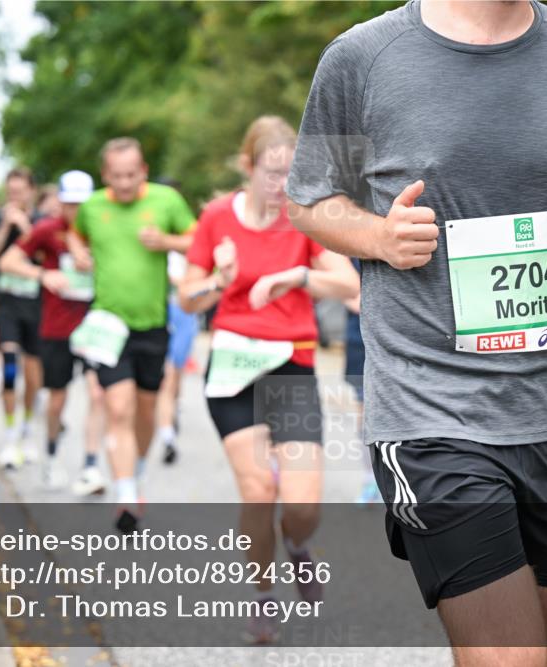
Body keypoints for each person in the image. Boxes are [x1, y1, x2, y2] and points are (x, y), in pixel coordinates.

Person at [285, 1, 547, 664]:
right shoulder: (363, 57)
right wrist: (378, 236)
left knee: (539, 652)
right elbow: (310, 199)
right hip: (432, 410)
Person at [180, 116, 360, 644]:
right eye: (272, 172)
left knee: (302, 506)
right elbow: (186, 297)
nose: (282, 183)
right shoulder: (216, 218)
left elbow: (347, 282)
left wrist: (299, 275)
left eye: (290, 172)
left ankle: (297, 546)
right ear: (248, 166)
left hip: (292, 367)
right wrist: (219, 280)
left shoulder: (303, 217)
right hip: (233, 369)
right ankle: (262, 597)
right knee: (259, 489)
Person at [68, 138, 196, 530]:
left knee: (145, 410)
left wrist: (166, 242)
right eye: (116, 176)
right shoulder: (92, 208)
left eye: (131, 175)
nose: (124, 183)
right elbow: (75, 234)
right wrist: (77, 252)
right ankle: (125, 495)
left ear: (143, 171)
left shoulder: (166, 201)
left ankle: (135, 471)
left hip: (152, 325)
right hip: (109, 326)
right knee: (118, 408)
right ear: (105, 175)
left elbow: (198, 241)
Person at [0, 170, 108, 492]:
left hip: (94, 325)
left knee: (98, 394)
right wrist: (43, 275)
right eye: (70, 204)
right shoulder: (47, 230)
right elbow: (7, 262)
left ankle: (90, 466)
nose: (76, 211)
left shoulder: (104, 229)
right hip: (57, 327)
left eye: (82, 204)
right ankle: (52, 455)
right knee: (57, 399)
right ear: (60, 201)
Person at [0, 167, 44, 469]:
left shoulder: (41, 220)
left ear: (31, 191)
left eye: (19, 192)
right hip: (6, 304)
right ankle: (9, 437)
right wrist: (6, 225)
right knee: (8, 365)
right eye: (10, 192)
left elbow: (44, 256)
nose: (14, 197)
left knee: (32, 375)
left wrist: (26, 226)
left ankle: (27, 430)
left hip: (35, 305)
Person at [155, 248, 200, 465]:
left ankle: (174, 409)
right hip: (164, 311)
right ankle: (168, 437)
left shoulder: (190, 250)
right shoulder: (159, 248)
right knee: (168, 376)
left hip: (185, 314)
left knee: (176, 374)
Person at [343, 259, 380, 504]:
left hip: (405, 340)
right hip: (361, 340)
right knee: (366, 413)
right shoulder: (350, 246)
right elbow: (344, 289)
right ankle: (371, 478)